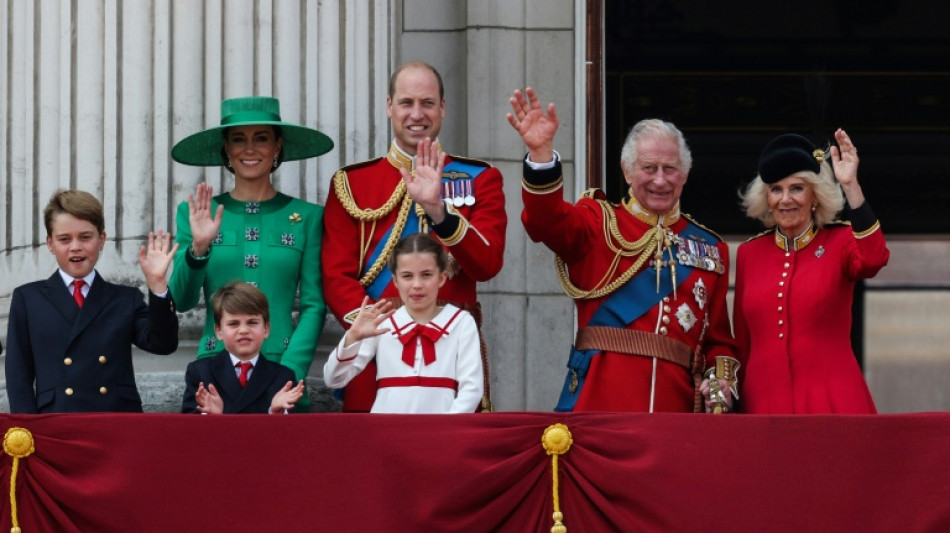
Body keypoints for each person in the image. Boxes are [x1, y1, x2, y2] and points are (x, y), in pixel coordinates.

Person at [507, 87, 738, 413]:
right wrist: (542, 155)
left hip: (678, 410)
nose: (660, 180)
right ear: (627, 171)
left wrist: (719, 382)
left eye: (669, 169)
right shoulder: (597, 222)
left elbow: (718, 342)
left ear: (685, 175)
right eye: (648, 168)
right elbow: (545, 222)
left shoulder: (710, 248)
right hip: (602, 403)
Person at [321, 61, 506, 412]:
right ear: (389, 106)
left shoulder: (480, 178)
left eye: (427, 103)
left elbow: (488, 263)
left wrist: (440, 213)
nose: (416, 114)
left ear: (443, 108)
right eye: (406, 103)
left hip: (452, 344)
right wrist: (377, 328)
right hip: (376, 352)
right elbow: (335, 276)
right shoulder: (352, 183)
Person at [169, 96, 332, 411]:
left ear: (277, 146)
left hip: (284, 373)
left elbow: (314, 305)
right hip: (216, 370)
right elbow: (182, 299)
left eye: (261, 138)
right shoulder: (197, 212)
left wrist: (289, 373)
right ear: (226, 149)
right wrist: (199, 247)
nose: (250, 148)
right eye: (238, 140)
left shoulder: (308, 216)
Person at [733, 130, 888, 414]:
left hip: (832, 402)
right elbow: (742, 342)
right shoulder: (749, 254)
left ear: (815, 195)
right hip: (763, 405)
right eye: (776, 190)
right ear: (766, 198)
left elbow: (874, 259)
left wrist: (850, 184)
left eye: (797, 188)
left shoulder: (839, 241)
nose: (785, 199)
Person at [5, 190, 179, 413]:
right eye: (64, 239)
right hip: (56, 421)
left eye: (85, 237)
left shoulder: (126, 298)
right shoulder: (28, 299)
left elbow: (163, 344)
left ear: (101, 240)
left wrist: (157, 285)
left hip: (116, 421)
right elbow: (18, 374)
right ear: (50, 244)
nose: (75, 246)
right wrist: (26, 432)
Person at [323, 233, 483, 413]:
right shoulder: (382, 322)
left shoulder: (461, 322)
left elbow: (472, 390)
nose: (417, 284)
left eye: (426, 275)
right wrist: (352, 337)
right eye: (407, 276)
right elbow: (334, 379)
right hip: (387, 433)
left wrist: (444, 431)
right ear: (395, 281)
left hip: (441, 433)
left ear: (441, 278)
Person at [182, 282, 306, 414]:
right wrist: (213, 418)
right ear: (218, 331)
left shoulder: (283, 378)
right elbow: (188, 428)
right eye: (233, 323)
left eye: (252, 322)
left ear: (266, 329)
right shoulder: (201, 372)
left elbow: (290, 432)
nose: (243, 330)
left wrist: (275, 413)